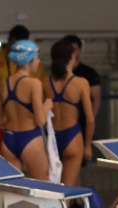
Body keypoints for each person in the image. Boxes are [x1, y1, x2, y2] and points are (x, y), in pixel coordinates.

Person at [0, 25, 45, 156]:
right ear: (10, 40)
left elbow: (41, 93)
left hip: (25, 125)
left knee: (19, 166)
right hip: (2, 124)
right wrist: (6, 91)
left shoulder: (34, 67)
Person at [0, 39, 50, 180]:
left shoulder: (3, 84)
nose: (39, 62)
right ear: (29, 60)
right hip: (30, 139)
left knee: (15, 188)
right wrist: (47, 105)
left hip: (9, 140)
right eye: (37, 58)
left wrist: (13, 118)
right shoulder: (34, 83)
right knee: (43, 186)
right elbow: (40, 120)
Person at [43, 40, 93, 188]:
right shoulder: (81, 83)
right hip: (72, 137)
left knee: (50, 191)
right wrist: (87, 145)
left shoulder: (43, 83)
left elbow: (39, 115)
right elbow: (90, 120)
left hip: (50, 139)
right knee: (67, 193)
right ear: (72, 57)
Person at [61, 35, 102, 127]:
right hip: (62, 121)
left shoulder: (89, 73)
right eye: (68, 49)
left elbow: (96, 98)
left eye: (74, 49)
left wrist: (90, 121)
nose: (72, 53)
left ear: (79, 50)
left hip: (82, 121)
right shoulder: (59, 73)